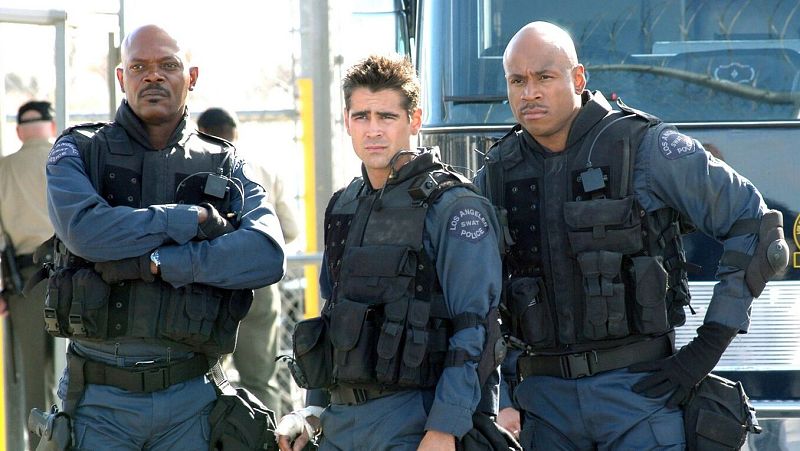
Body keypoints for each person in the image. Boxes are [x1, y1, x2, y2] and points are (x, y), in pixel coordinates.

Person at [475, 21, 788, 450]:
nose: (529, 93)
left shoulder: (644, 147)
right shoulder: (496, 173)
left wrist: (704, 352)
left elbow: (757, 228)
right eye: (517, 81)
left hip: (639, 399)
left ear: (578, 78)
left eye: (544, 77)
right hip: (544, 411)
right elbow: (470, 291)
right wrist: (505, 390)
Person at [44, 24, 285, 449]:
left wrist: (164, 263)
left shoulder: (226, 162)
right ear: (122, 78)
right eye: (139, 67)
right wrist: (190, 220)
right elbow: (86, 232)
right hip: (98, 404)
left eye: (168, 65)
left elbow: (266, 254)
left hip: (192, 401)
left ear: (192, 77)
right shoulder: (79, 150)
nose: (153, 76)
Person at [276, 54, 503, 451]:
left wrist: (445, 428)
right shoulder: (344, 204)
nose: (373, 130)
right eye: (361, 117)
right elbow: (335, 319)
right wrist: (312, 412)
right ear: (347, 122)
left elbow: (476, 329)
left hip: (417, 423)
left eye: (387, 116)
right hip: (340, 425)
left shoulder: (454, 207)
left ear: (414, 120)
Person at [197, 106, 300, 412]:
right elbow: (289, 230)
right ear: (235, 133)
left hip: (207, 282)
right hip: (258, 283)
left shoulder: (191, 167)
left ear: (200, 132)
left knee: (201, 377)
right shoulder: (261, 168)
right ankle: (269, 433)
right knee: (260, 380)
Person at [0, 100, 58, 450]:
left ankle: (39, 447)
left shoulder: (4, 169)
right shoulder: (68, 162)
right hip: (75, 277)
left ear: (19, 132)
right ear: (52, 127)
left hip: (25, 281)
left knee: (34, 377)